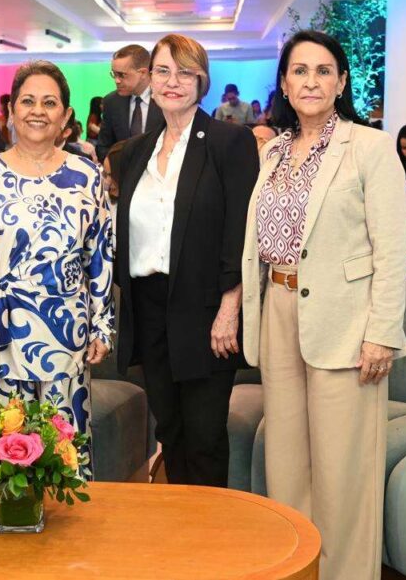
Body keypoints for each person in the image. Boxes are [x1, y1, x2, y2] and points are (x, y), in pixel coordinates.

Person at [243, 29, 406, 580]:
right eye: (299, 71)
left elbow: (392, 249)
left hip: (346, 318)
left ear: (341, 82)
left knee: (343, 469)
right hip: (279, 309)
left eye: (322, 71)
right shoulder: (272, 151)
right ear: (285, 84)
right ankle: (298, 570)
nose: (310, 81)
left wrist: (381, 331)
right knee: (286, 462)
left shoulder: (370, 147)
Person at [0, 60, 113, 451]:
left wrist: (102, 325)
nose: (38, 111)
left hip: (66, 333)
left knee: (64, 452)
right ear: (11, 111)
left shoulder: (87, 176)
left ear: (66, 116)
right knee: (1, 454)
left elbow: (101, 255)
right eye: (28, 101)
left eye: (50, 103)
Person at [115, 34, 259, 488]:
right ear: (149, 79)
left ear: (202, 80)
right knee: (170, 430)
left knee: (204, 436)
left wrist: (229, 308)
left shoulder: (229, 142)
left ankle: (214, 530)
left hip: (206, 309)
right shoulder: (136, 151)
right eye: (163, 71)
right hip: (148, 306)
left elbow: (240, 231)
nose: (172, 81)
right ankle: (180, 525)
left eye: (185, 72)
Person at [97, 44, 164, 161]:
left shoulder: (165, 99)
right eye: (114, 74)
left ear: (143, 73)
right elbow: (103, 147)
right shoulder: (111, 102)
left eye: (121, 75)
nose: (117, 80)